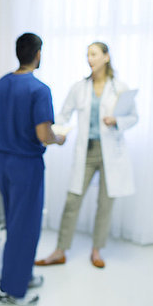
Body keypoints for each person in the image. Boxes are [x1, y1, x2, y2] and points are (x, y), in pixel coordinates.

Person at [35, 42, 138, 269]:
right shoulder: (79, 87)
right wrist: (53, 131)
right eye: (87, 55)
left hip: (111, 152)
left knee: (105, 203)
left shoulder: (119, 87)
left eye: (94, 54)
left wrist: (117, 121)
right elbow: (62, 116)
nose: (89, 58)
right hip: (87, 151)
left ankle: (96, 250)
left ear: (106, 57)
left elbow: (133, 116)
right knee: (73, 200)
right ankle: (60, 250)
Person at [0, 33, 65, 306]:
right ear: (38, 54)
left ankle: (23, 274)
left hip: (2, 163)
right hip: (26, 165)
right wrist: (59, 137)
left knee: (16, 224)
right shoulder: (39, 90)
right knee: (24, 227)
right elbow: (44, 134)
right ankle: (10, 290)